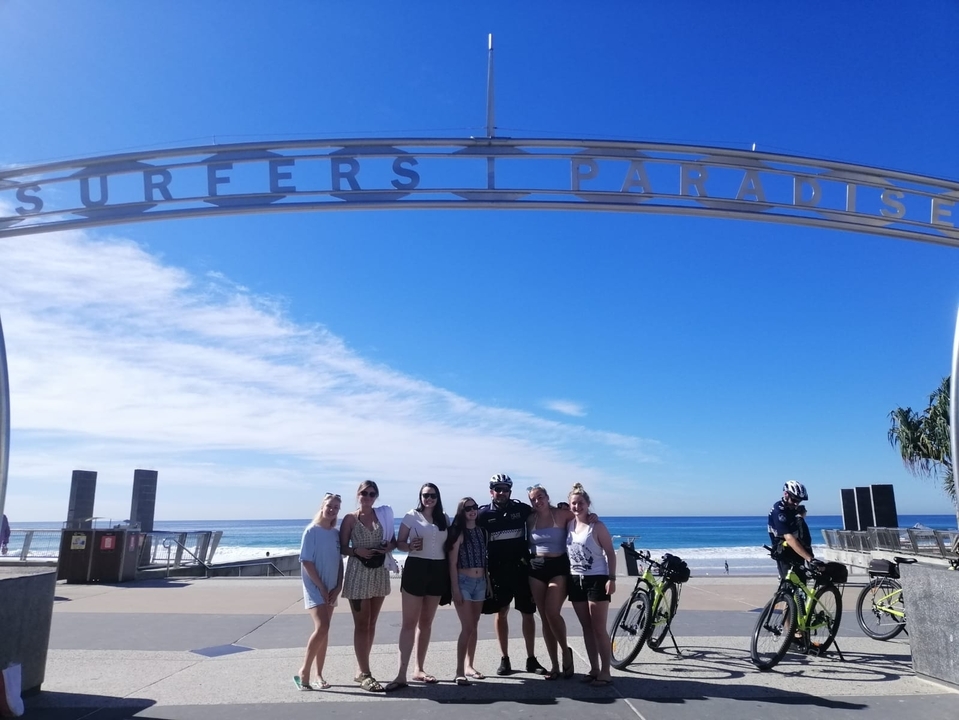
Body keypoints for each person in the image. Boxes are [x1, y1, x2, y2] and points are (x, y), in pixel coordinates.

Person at [477, 473, 547, 676]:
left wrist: (562, 508)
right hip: (498, 571)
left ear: (510, 491)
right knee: (502, 612)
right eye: (497, 489)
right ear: (491, 491)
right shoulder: (482, 515)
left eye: (505, 489)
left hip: (521, 569)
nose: (501, 492)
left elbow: (542, 512)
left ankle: (531, 659)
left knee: (528, 613)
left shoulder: (521, 509)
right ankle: (505, 658)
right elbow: (464, 529)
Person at [387, 482, 450, 692]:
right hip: (416, 568)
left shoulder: (444, 518)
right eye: (425, 495)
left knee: (426, 623)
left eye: (432, 495)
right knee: (409, 623)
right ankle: (401, 674)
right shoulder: (411, 516)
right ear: (420, 497)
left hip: (438, 570)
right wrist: (408, 546)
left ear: (437, 497)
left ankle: (419, 669)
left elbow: (450, 546)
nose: (429, 498)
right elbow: (399, 543)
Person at [340, 480, 394, 693]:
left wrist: (387, 546)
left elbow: (393, 541)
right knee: (362, 625)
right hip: (358, 573)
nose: (368, 497)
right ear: (358, 494)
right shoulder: (350, 519)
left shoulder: (381, 516)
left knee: (372, 623)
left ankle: (360, 669)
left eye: (372, 494)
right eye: (364, 493)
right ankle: (366, 674)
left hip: (378, 572)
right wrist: (356, 551)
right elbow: (342, 547)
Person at [567, 482, 616, 687]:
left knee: (598, 628)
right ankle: (593, 668)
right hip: (575, 580)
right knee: (586, 628)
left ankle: (606, 671)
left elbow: (610, 553)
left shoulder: (597, 526)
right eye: (573, 503)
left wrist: (611, 579)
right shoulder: (569, 524)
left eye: (580, 503)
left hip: (596, 579)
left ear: (588, 504)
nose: (577, 507)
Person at [294, 492, 343, 691]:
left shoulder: (335, 533)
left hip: (331, 587)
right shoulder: (311, 531)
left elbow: (339, 561)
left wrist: (338, 585)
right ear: (322, 506)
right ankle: (304, 671)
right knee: (322, 626)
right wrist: (321, 587)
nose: (332, 510)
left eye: (336, 507)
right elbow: (306, 561)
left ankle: (319, 675)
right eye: (329, 506)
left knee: (325, 629)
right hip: (315, 587)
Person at [526, 484, 575, 680]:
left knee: (552, 612)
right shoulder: (531, 519)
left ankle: (565, 651)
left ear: (547, 497)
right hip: (536, 568)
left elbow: (582, 520)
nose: (538, 501)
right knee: (544, 617)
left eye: (540, 497)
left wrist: (594, 518)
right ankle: (554, 665)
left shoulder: (562, 514)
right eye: (534, 499)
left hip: (559, 567)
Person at [446, 497, 488, 686]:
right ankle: (459, 671)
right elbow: (452, 563)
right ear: (461, 512)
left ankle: (470, 665)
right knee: (467, 627)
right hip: (463, 582)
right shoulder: (458, 533)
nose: (472, 510)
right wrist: (455, 588)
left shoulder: (482, 532)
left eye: (474, 507)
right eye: (467, 508)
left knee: (475, 625)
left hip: (480, 582)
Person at [767, 480, 819, 579]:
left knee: (801, 581)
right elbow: (789, 538)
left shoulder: (793, 509)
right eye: (794, 500)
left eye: (799, 501)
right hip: (783, 550)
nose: (796, 504)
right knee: (788, 583)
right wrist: (809, 558)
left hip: (796, 547)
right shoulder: (779, 511)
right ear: (786, 494)